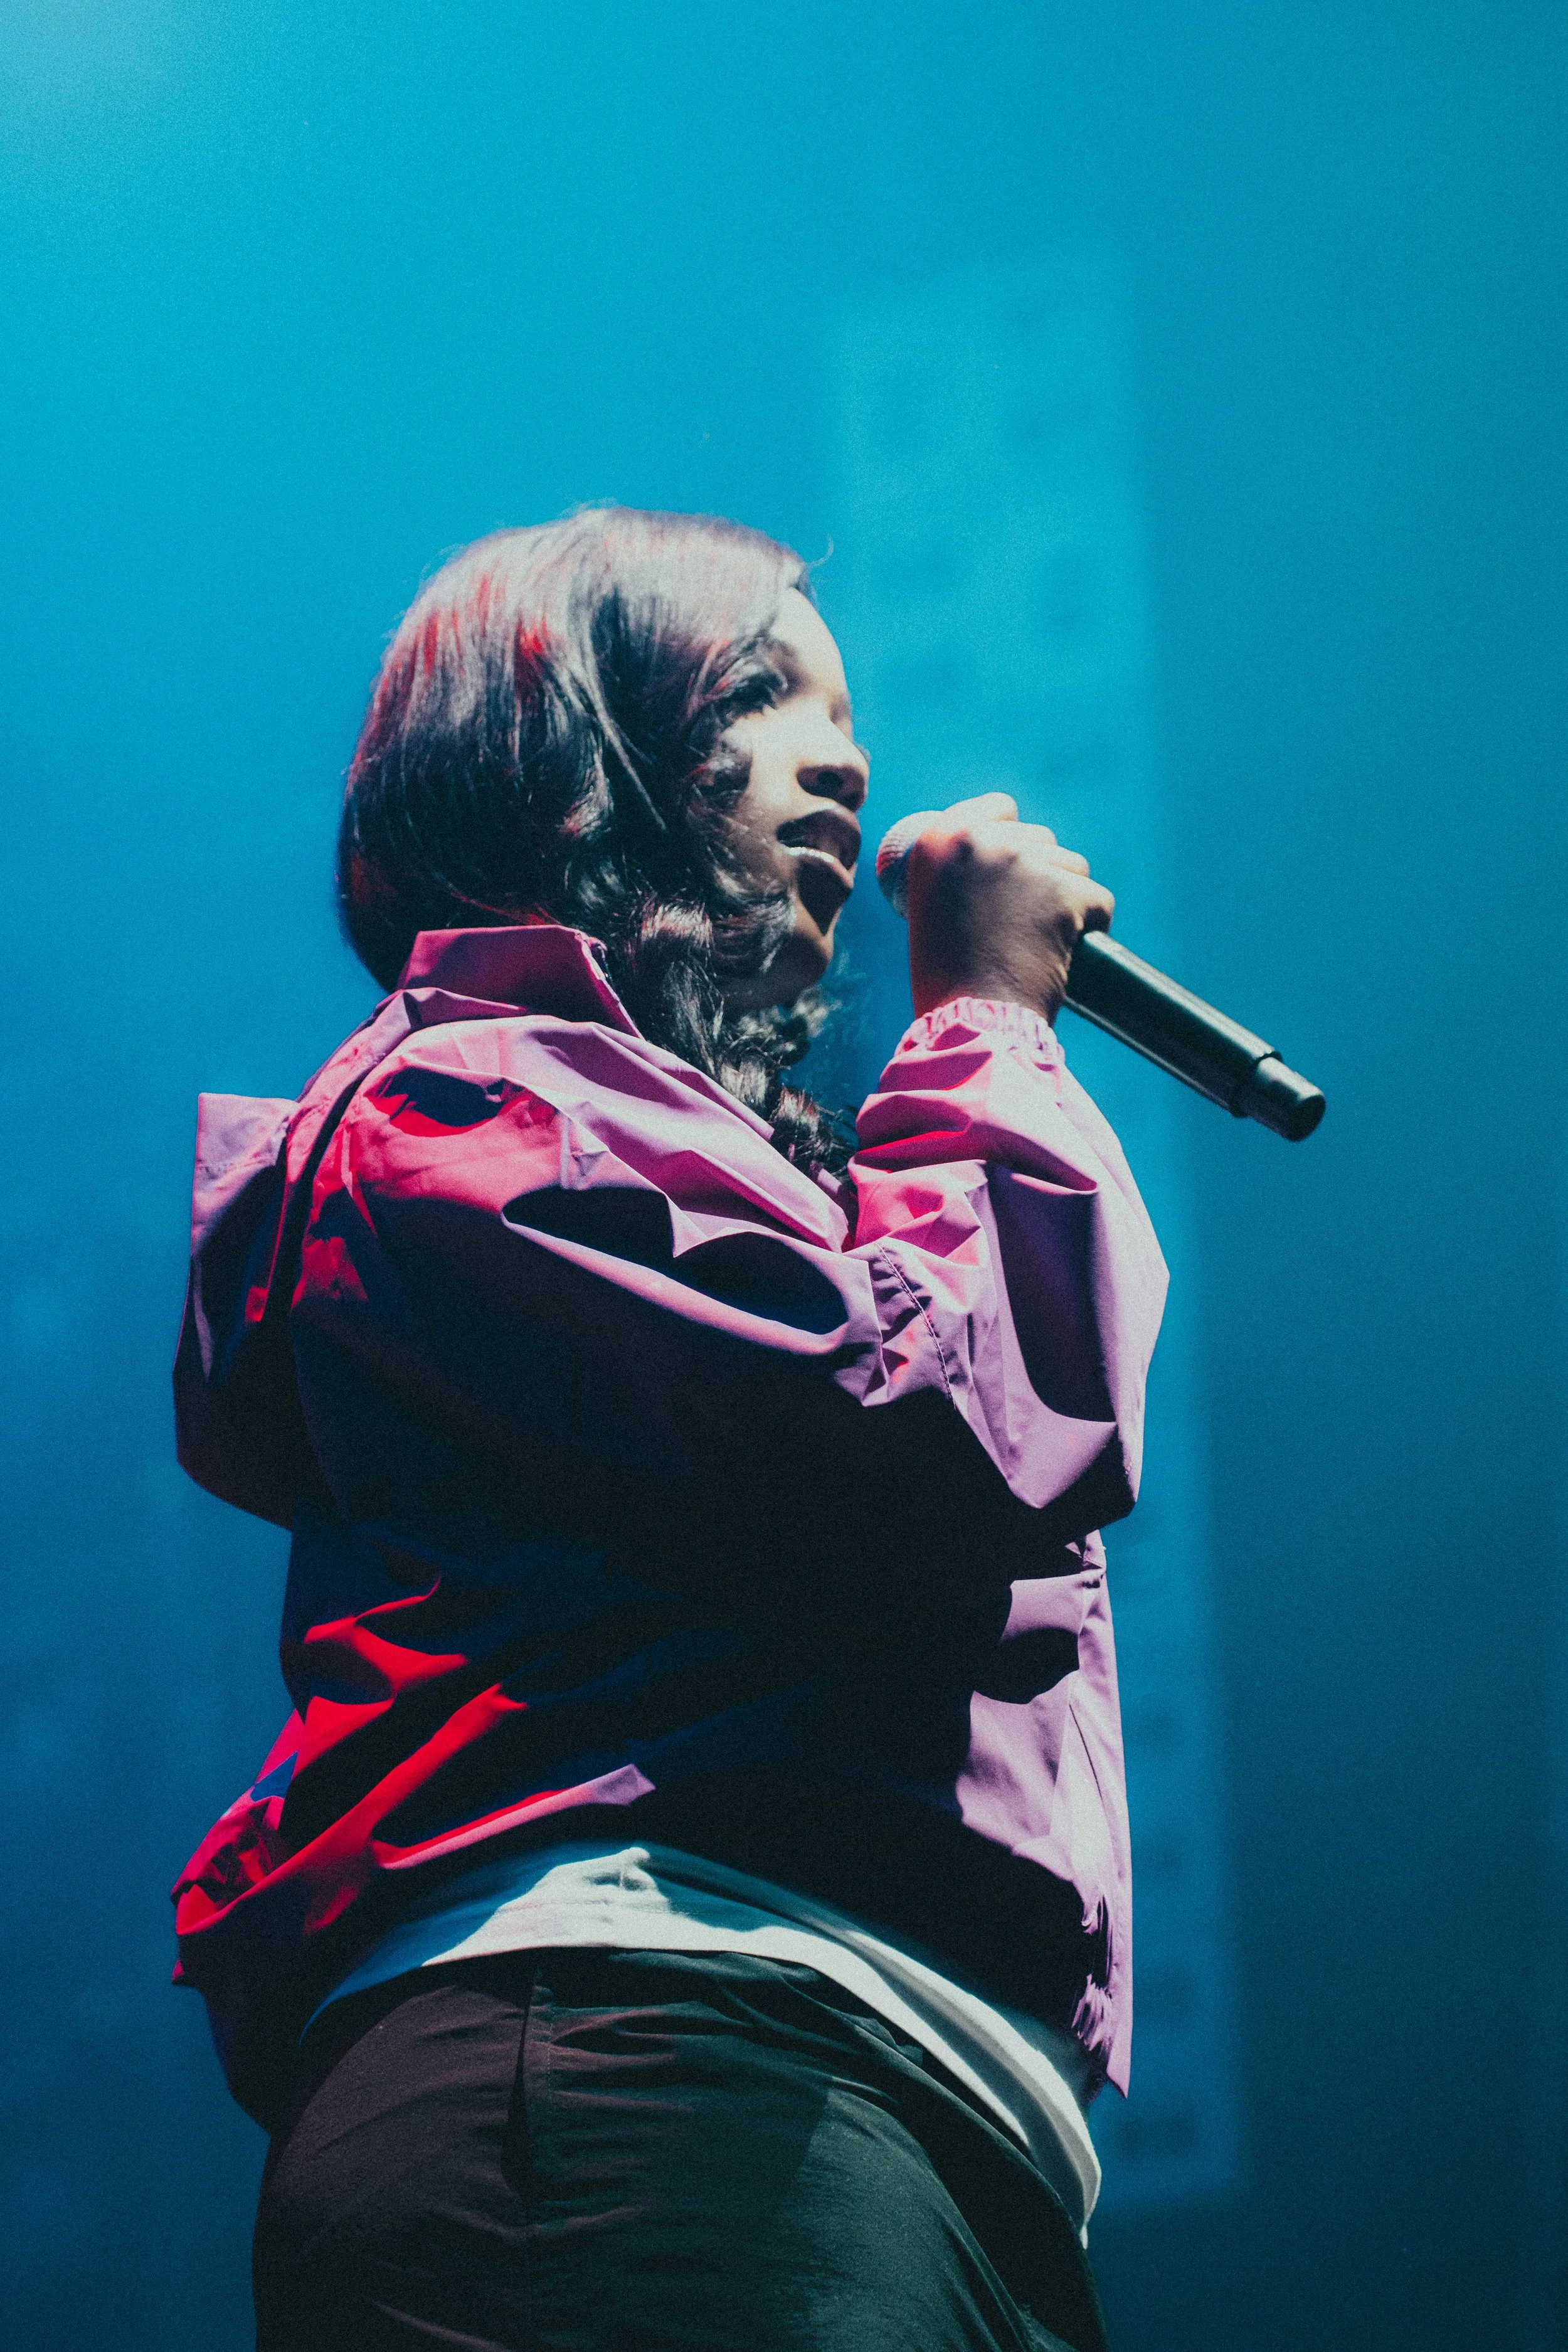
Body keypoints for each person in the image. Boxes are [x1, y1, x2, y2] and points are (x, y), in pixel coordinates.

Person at [173, 507, 1167, 2352]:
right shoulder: (458, 1106)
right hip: (651, 2080)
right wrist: (981, 1033)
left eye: (844, 707)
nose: (848, 757)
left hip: (863, 2108)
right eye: (761, 690)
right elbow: (937, 1432)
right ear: (573, 764)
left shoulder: (718, 1177)